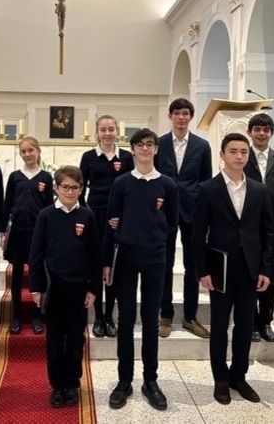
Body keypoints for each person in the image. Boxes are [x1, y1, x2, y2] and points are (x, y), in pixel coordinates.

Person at [192, 133, 274, 405]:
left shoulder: (260, 190)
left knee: (245, 325)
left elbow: (268, 232)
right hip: (220, 269)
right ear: (223, 154)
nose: (239, 156)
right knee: (219, 326)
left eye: (243, 152)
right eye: (233, 151)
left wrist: (265, 269)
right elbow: (197, 233)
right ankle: (221, 379)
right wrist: (202, 270)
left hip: (250, 269)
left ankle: (239, 376)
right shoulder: (208, 189)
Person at [106, 128, 178, 411]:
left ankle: (150, 380)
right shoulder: (122, 183)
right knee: (125, 320)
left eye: (150, 144)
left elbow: (171, 223)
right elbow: (112, 220)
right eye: (140, 144)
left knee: (150, 321)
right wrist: (106, 262)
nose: (146, 148)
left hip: (155, 258)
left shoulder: (168, 185)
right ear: (132, 149)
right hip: (125, 257)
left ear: (156, 150)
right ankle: (124, 381)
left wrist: (153, 235)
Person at [29, 166, 100, 408]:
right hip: (53, 288)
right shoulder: (46, 215)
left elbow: (94, 254)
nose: (71, 191)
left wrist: (93, 288)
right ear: (56, 188)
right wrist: (36, 288)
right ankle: (57, 384)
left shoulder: (87, 216)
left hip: (79, 289)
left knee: (76, 339)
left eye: (76, 187)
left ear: (82, 189)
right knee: (55, 339)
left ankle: (72, 382)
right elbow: (36, 254)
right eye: (66, 187)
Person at [154, 98, 212, 339]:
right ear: (170, 116)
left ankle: (190, 316)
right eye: (177, 113)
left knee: (193, 265)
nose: (181, 117)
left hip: (192, 210)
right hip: (164, 210)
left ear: (190, 117)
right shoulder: (159, 144)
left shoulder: (202, 145)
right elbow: (154, 176)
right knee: (164, 263)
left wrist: (202, 207)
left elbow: (206, 180)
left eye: (186, 113)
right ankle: (165, 315)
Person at [79, 115, 134, 338]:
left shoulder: (127, 157)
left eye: (111, 129)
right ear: (97, 132)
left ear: (116, 132)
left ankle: (109, 315)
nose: (108, 133)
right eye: (103, 129)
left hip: (118, 217)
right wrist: (85, 213)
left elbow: (131, 186)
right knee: (97, 263)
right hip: (95, 213)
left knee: (113, 265)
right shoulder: (89, 156)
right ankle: (98, 316)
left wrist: (125, 215)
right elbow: (80, 187)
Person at [244, 113, 274, 343]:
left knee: (271, 274)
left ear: (271, 133)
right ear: (250, 132)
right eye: (257, 129)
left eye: (266, 129)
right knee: (250, 272)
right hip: (249, 224)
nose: (261, 133)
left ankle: (266, 321)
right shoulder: (242, 157)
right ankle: (251, 322)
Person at [0, 136, 54, 335]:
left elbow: (49, 206)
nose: (27, 154)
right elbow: (7, 205)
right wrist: (3, 229)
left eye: (31, 150)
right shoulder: (15, 176)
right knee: (17, 273)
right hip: (18, 231)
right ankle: (17, 315)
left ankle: (38, 315)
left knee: (37, 273)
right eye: (23, 151)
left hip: (38, 232)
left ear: (38, 151)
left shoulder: (46, 177)